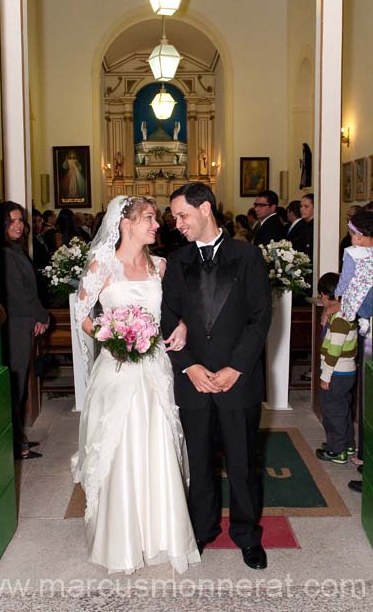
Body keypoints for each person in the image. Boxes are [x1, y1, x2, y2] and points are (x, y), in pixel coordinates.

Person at [71, 195, 200, 574]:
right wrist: (113, 337)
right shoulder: (103, 265)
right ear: (126, 224)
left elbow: (178, 312)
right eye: (149, 218)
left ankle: (162, 533)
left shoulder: (161, 266)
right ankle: (122, 539)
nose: (156, 225)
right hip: (118, 368)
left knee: (157, 441)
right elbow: (82, 314)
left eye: (156, 219)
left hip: (155, 366)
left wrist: (181, 326)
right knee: (120, 444)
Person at [161, 182, 272, 570]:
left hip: (237, 380)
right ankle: (202, 529)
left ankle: (246, 535)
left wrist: (235, 368)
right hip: (194, 380)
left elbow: (260, 319)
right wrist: (189, 366)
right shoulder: (177, 261)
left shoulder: (248, 256)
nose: (176, 224)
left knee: (241, 463)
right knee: (200, 461)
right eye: (175, 217)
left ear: (205, 209)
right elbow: (167, 318)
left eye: (182, 215)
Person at [0, 202, 49, 460]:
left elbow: (30, 289)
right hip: (15, 324)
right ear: (2, 225)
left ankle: (18, 437)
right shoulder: (5, 253)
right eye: (12, 221)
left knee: (21, 385)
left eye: (20, 220)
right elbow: (18, 293)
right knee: (15, 386)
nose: (19, 225)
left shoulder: (15, 249)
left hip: (23, 322)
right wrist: (42, 315)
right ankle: (16, 444)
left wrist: (36, 317)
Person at [315, 273, 358, 465]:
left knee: (333, 412)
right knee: (342, 409)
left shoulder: (340, 319)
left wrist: (326, 376)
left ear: (325, 295)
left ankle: (337, 450)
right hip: (346, 372)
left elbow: (334, 351)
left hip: (337, 373)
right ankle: (347, 444)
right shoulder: (344, 313)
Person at [335, 208, 373, 336]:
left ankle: (364, 320)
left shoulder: (352, 252)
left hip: (359, 291)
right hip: (371, 288)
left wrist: (339, 290)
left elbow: (346, 276)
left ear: (358, 237)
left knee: (358, 304)